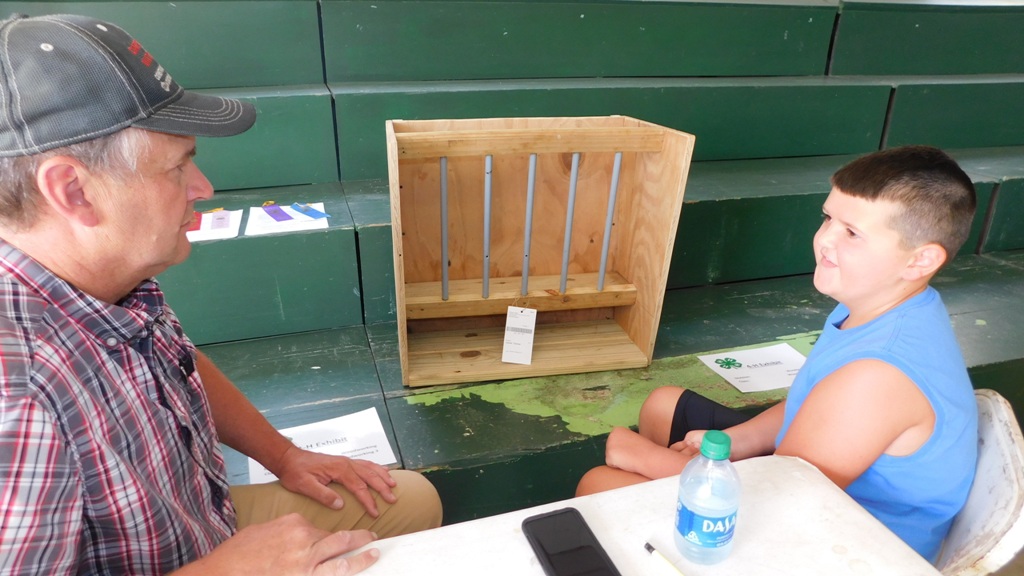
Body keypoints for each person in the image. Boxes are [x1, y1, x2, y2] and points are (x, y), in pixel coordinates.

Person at [0, 13, 441, 575]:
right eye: (176, 168)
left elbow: (176, 361)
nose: (203, 188)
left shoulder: (105, 276)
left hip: (198, 522)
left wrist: (284, 455)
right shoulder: (16, 397)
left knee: (411, 503)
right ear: (73, 191)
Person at [577, 145, 979, 563]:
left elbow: (782, 499)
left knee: (599, 484)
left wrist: (648, 460)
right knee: (664, 406)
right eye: (828, 218)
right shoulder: (877, 304)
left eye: (852, 233)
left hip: (851, 547)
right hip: (814, 492)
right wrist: (739, 440)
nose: (824, 240)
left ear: (920, 260)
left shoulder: (875, 378)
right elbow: (811, 401)